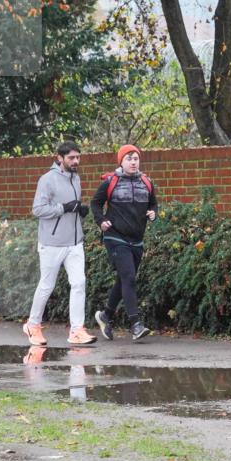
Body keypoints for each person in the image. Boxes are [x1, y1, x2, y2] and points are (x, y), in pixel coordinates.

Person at [23, 141, 96, 346]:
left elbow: (72, 207)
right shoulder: (47, 180)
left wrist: (80, 210)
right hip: (52, 243)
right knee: (46, 285)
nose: (76, 161)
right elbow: (38, 209)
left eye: (78, 157)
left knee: (79, 283)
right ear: (59, 158)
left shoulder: (76, 178)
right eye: (71, 158)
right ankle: (32, 325)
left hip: (75, 242)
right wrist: (63, 208)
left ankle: (77, 330)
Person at [90, 144, 157, 342]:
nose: (133, 162)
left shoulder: (147, 182)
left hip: (136, 240)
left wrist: (154, 213)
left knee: (124, 279)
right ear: (121, 161)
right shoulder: (111, 181)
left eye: (136, 158)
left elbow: (153, 203)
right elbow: (95, 204)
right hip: (115, 236)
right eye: (129, 158)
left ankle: (106, 316)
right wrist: (101, 221)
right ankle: (136, 325)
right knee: (129, 277)